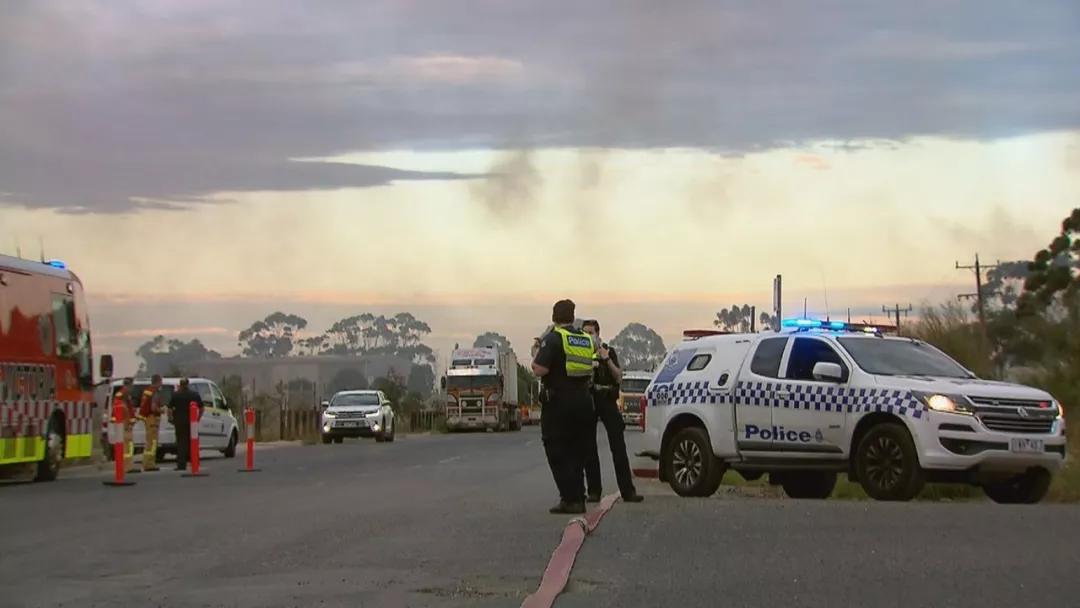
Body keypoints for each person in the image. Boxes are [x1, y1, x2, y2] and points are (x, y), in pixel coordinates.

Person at [532, 299, 596, 514]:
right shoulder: (586, 339)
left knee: (556, 449)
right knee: (578, 451)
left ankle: (569, 498)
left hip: (559, 403)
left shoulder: (553, 338)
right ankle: (579, 497)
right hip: (584, 401)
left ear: (554, 317)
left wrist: (536, 352)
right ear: (572, 316)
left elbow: (539, 369)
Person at [582, 320, 644, 504]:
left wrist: (606, 359)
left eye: (591, 332)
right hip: (590, 399)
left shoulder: (609, 351)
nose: (588, 336)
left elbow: (618, 376)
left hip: (608, 399)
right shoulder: (581, 353)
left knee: (618, 446)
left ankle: (628, 491)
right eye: (584, 333)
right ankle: (593, 490)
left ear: (598, 334)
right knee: (588, 447)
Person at [168, 378, 204, 471]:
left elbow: (169, 408)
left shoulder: (175, 395)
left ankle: (181, 465)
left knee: (181, 443)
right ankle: (194, 462)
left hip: (179, 422)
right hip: (192, 422)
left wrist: (170, 418)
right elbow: (201, 408)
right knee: (193, 441)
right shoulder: (194, 394)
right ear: (188, 384)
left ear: (180, 384)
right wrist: (197, 419)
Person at [138, 374, 164, 472]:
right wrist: (161, 410)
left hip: (147, 419)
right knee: (152, 442)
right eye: (161, 381)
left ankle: (147, 463)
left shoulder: (147, 391)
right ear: (158, 381)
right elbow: (153, 408)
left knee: (149, 441)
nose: (162, 383)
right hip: (153, 419)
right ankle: (149, 464)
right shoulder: (155, 392)